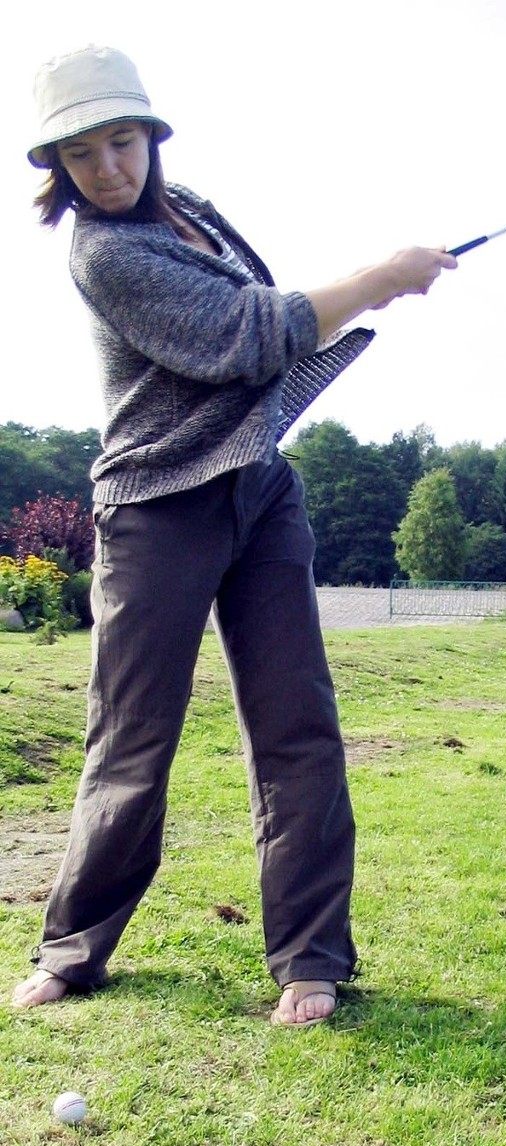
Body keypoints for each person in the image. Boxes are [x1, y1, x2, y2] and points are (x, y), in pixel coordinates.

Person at [11, 45, 456, 1027]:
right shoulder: (104, 252)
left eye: (121, 142)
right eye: (81, 155)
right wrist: (381, 277)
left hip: (259, 492)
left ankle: (311, 958)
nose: (108, 169)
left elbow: (262, 323)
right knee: (131, 743)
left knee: (299, 727)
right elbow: (246, 334)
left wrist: (374, 283)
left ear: (151, 137)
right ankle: (73, 950)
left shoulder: (195, 210)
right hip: (157, 508)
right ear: (59, 168)